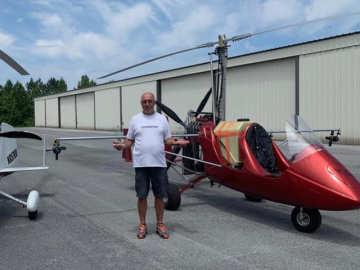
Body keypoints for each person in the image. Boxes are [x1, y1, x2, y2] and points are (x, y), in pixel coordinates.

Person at [113, 92, 188, 239]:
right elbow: (130, 141)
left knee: (159, 195)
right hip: (141, 164)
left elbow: (167, 140)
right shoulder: (135, 120)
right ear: (141, 103)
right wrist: (122, 146)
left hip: (159, 164)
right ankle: (143, 224)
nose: (147, 104)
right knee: (142, 196)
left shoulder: (162, 120)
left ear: (154, 102)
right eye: (144, 101)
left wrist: (177, 142)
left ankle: (160, 224)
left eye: (150, 101)